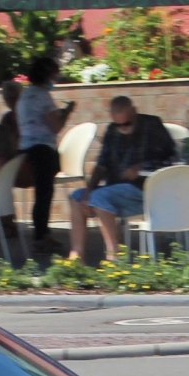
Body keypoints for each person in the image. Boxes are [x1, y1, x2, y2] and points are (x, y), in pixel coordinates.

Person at [66, 95, 179, 262]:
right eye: (118, 124)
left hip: (146, 190)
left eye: (126, 123)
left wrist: (142, 166)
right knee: (77, 197)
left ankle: (114, 256)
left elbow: (173, 159)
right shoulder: (112, 131)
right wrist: (88, 190)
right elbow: (101, 164)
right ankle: (76, 255)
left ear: (134, 112)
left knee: (99, 197)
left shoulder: (152, 125)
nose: (122, 128)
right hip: (117, 190)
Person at [15, 56, 71, 254]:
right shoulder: (42, 96)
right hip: (42, 150)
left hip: (26, 148)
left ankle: (44, 234)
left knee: (42, 194)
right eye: (55, 74)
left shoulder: (25, 94)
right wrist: (66, 113)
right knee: (44, 195)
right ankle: (40, 237)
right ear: (48, 74)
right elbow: (55, 127)